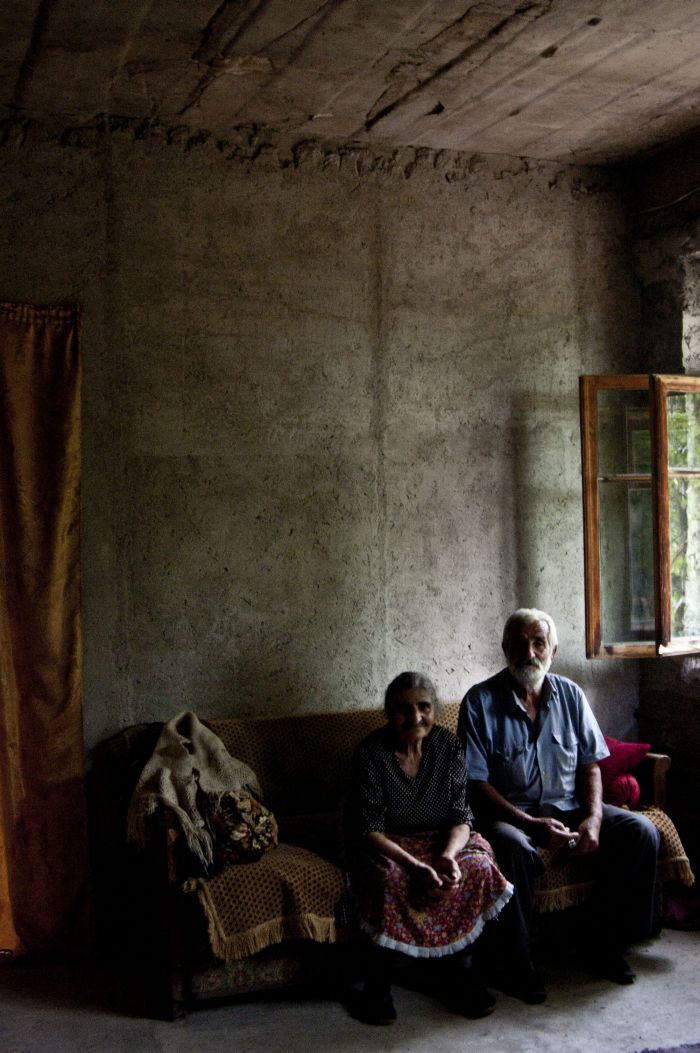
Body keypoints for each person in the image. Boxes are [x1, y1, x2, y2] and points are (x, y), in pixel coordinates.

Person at [458, 608, 661, 1001]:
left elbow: (590, 765)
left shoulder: (571, 695)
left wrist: (594, 818)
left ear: (553, 650)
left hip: (568, 808)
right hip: (508, 816)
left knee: (641, 832)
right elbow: (476, 784)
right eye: (519, 644)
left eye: (539, 643)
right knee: (514, 848)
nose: (529, 652)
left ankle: (606, 944)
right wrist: (531, 825)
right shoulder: (479, 702)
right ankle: (517, 963)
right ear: (505, 649)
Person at [345, 671, 513, 1025]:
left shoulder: (449, 746)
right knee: (389, 878)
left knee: (477, 866)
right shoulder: (371, 753)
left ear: (435, 710)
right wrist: (416, 866)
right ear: (388, 713)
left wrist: (447, 858)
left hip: (442, 839)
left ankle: (460, 971)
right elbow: (369, 830)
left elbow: (462, 817)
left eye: (424, 707)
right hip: (389, 843)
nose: (415, 717)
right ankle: (378, 986)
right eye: (404, 709)